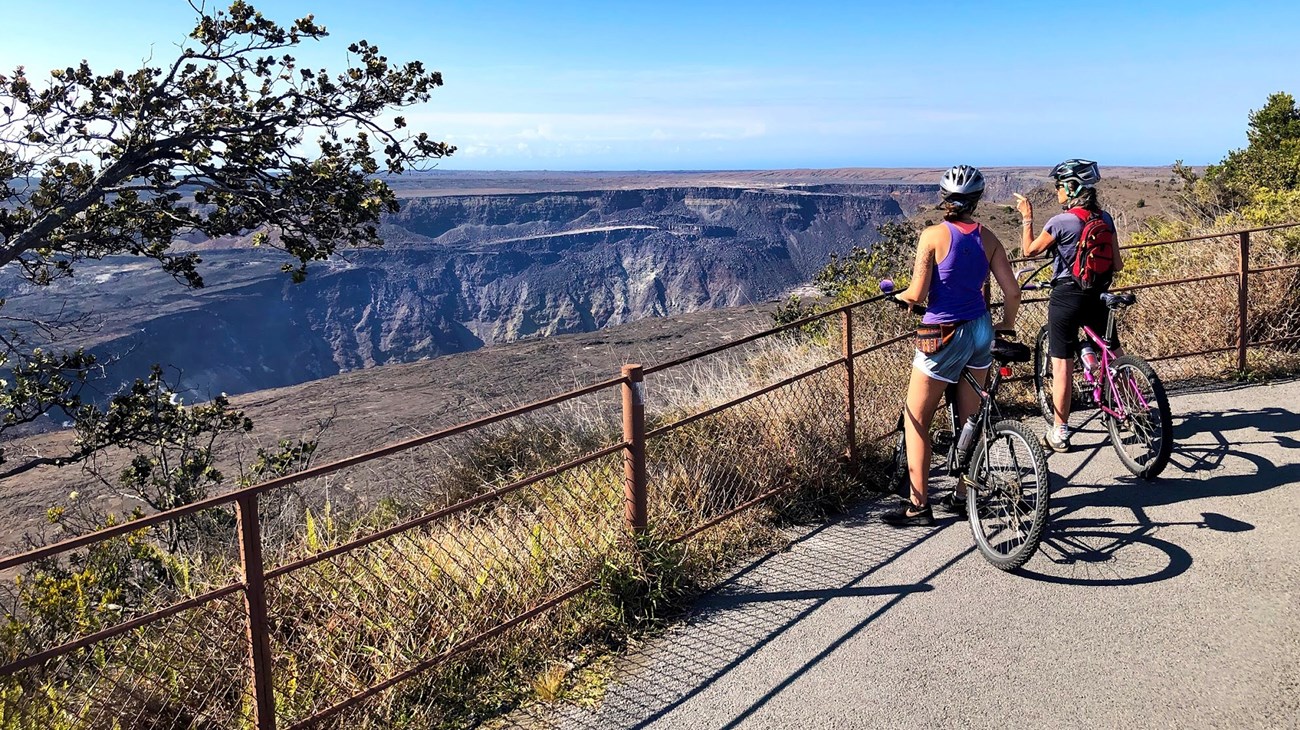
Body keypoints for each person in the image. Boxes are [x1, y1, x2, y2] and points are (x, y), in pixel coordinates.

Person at [883, 165, 1021, 527]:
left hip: (943, 334)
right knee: (969, 419)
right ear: (977, 200)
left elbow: (917, 293)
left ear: (944, 198)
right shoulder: (989, 238)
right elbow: (1012, 290)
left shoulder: (932, 236)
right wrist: (1005, 324)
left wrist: (898, 295)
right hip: (980, 331)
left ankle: (918, 506)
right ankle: (963, 494)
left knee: (916, 419)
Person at [1017, 159, 1125, 452]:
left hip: (1066, 297)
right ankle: (1133, 403)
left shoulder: (1060, 222)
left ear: (1071, 187)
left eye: (1058, 186)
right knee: (1112, 349)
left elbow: (1029, 252)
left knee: (1061, 364)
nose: (1056, 192)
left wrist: (1027, 217)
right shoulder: (1105, 219)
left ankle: (1060, 431)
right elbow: (1117, 264)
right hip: (1099, 295)